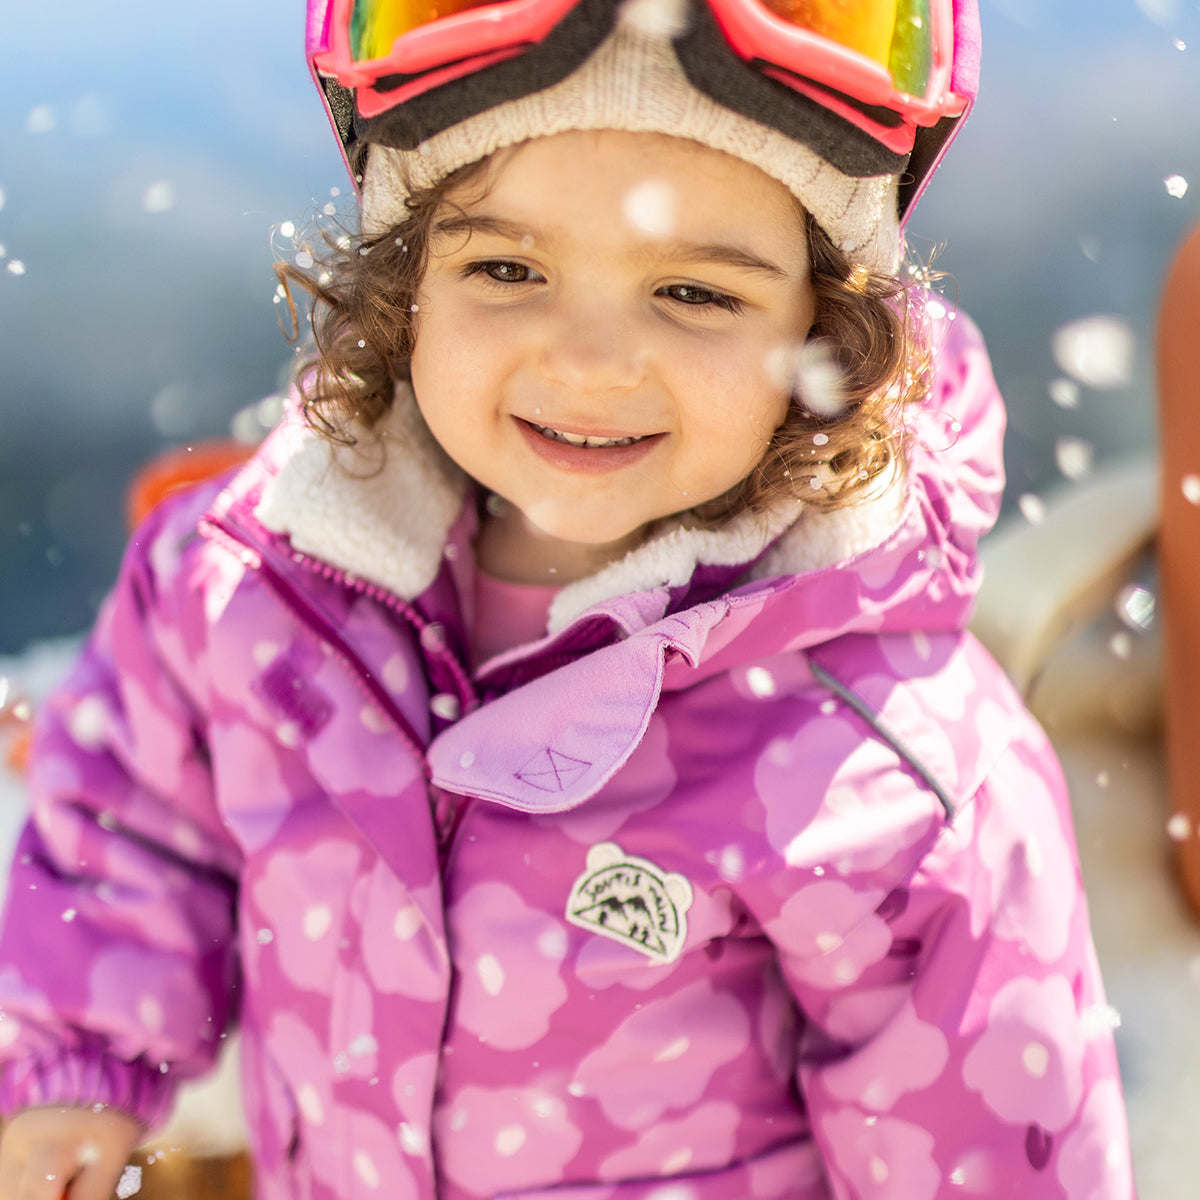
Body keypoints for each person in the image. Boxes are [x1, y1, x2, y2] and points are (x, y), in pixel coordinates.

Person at [0, 0, 1135, 1196]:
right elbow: (134, 803)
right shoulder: (253, 589)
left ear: (827, 330)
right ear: (406, 289)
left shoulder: (879, 767)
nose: (589, 360)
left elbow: (987, 1153)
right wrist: (78, 1057)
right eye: (506, 268)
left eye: (695, 294)